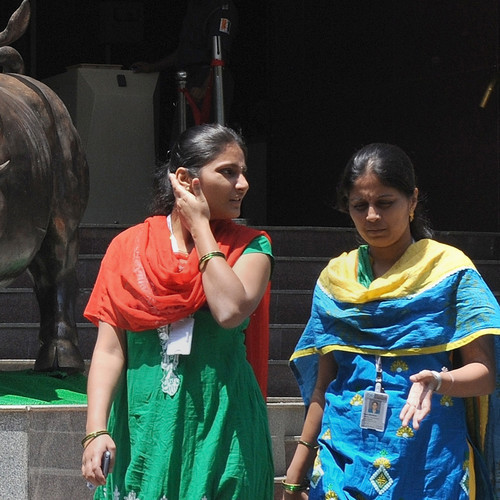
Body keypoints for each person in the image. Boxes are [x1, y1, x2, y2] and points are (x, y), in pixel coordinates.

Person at [282, 143, 500, 499]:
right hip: (343, 454)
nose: (372, 216)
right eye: (359, 205)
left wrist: (439, 381)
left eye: (385, 203)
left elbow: (486, 374)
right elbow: (323, 385)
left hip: (428, 460)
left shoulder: (450, 273)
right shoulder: (336, 282)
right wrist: (296, 470)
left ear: (412, 201)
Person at [81, 123, 274, 500]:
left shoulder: (252, 247)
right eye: (228, 172)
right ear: (185, 179)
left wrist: (201, 228)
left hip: (222, 426)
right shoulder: (128, 249)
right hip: (146, 426)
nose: (243, 184)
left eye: (243, 172)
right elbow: (109, 350)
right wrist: (96, 429)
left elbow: (229, 310)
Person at [131, 0, 238, 150]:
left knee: (207, 145)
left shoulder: (221, 7)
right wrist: (152, 67)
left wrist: (204, 88)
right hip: (190, 80)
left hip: (210, 80)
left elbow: (219, 57)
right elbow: (184, 52)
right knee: (183, 142)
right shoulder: (194, 7)